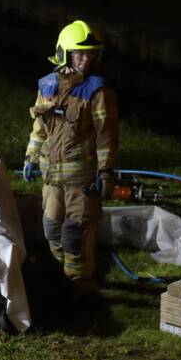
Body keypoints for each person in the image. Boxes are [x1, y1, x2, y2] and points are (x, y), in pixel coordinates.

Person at [23, 20, 118, 296]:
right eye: (80, 54)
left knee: (75, 235)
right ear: (64, 52)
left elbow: (107, 137)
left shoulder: (97, 92)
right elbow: (40, 127)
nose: (86, 60)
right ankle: (60, 282)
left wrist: (105, 172)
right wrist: (31, 155)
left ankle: (80, 289)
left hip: (82, 182)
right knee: (51, 230)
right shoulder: (48, 86)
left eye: (91, 55)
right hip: (52, 179)